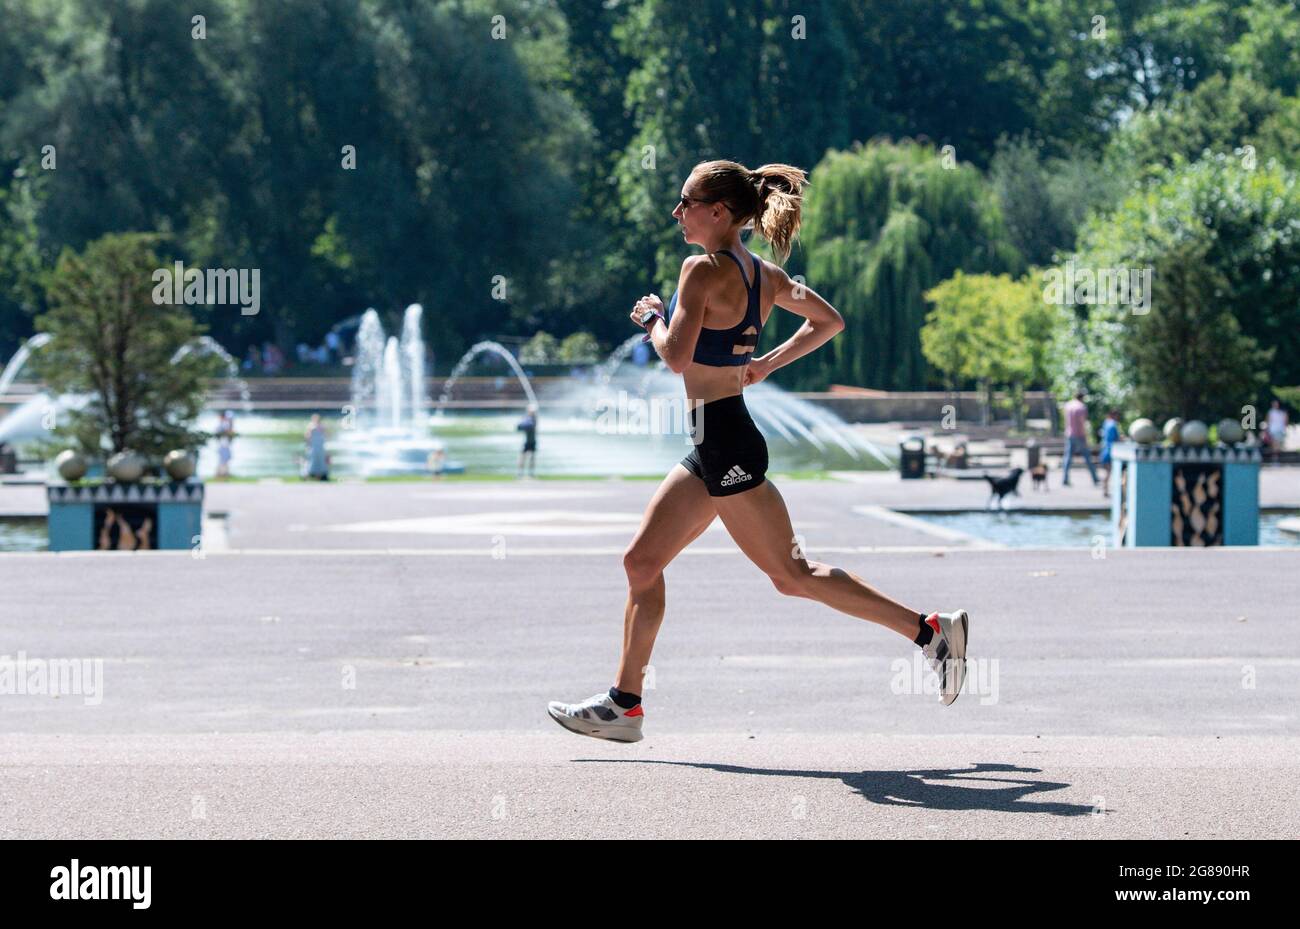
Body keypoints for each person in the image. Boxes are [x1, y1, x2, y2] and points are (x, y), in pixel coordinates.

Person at [546, 160, 971, 743]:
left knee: (793, 575)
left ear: (717, 212)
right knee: (641, 563)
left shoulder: (700, 270)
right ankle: (625, 705)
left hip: (726, 446)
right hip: (715, 440)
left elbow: (673, 356)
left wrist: (651, 318)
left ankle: (930, 633)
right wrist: (765, 365)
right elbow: (828, 321)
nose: (677, 214)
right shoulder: (763, 275)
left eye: (685, 203)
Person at [1061, 391, 1099, 487]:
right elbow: (1082, 423)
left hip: (1069, 434)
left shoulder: (1068, 406)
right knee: (1087, 457)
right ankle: (1095, 478)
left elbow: (1066, 421)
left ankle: (1065, 479)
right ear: (1082, 398)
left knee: (1067, 458)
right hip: (1079, 435)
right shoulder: (1081, 407)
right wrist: (1086, 436)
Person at [1099, 408, 1122, 495]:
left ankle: (1105, 489)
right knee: (1110, 472)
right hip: (1111, 450)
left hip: (1104, 449)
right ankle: (1107, 490)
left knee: (1107, 471)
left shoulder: (1106, 423)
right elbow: (1116, 439)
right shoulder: (1113, 425)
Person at [303, 414, 329, 480]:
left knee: (320, 460)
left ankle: (320, 476)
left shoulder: (322, 426)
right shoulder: (310, 426)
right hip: (313, 446)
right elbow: (307, 436)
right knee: (312, 460)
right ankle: (307, 475)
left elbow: (326, 435)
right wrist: (307, 445)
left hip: (320, 446)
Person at [516, 405, 538, 478]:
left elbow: (529, 425)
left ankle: (531, 473)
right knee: (522, 457)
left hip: (532, 441)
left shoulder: (534, 419)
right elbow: (519, 426)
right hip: (527, 441)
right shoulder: (527, 418)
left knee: (532, 457)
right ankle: (520, 473)